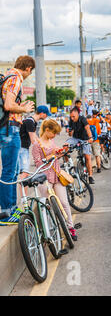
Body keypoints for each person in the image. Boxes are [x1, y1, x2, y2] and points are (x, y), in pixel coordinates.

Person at [0, 55, 35, 223]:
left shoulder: (7, 75)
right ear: (28, 68)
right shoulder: (15, 79)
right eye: (31, 71)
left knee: (12, 171)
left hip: (6, 128)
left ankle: (12, 209)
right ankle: (7, 211)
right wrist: (24, 108)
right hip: (9, 128)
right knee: (9, 171)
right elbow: (8, 105)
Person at [29, 119, 78, 239]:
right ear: (47, 130)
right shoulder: (36, 144)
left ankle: (70, 227)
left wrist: (61, 152)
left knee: (64, 202)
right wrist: (52, 156)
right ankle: (50, 231)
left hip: (57, 174)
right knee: (47, 206)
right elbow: (37, 163)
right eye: (53, 132)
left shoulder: (51, 141)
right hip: (45, 178)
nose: (54, 135)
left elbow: (56, 156)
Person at [18, 105, 51, 183]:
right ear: (42, 113)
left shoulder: (32, 121)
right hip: (22, 148)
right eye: (46, 114)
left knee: (24, 173)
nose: (46, 116)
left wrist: (42, 143)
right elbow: (33, 140)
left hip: (22, 148)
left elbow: (35, 136)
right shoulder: (30, 121)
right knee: (25, 173)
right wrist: (42, 150)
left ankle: (23, 193)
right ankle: (24, 194)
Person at [67, 107, 95, 184]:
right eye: (71, 117)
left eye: (74, 116)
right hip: (76, 138)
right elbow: (70, 134)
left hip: (85, 139)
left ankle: (90, 176)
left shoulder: (83, 119)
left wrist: (90, 138)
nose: (72, 118)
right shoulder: (71, 121)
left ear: (78, 114)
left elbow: (88, 129)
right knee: (65, 146)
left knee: (87, 157)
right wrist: (69, 131)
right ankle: (68, 165)